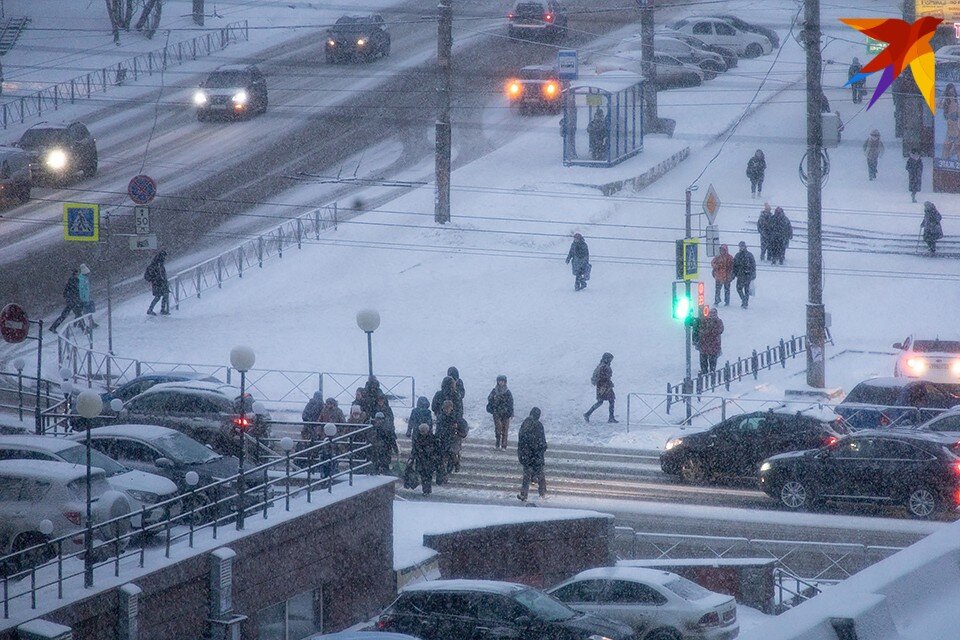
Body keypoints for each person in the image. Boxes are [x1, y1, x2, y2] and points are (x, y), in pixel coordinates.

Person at [517, 407, 547, 502]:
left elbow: (521, 440)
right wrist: (541, 448)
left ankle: (524, 494)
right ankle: (542, 492)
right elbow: (542, 441)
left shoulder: (525, 424)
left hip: (527, 454)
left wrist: (522, 453)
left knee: (526, 475)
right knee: (540, 474)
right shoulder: (539, 426)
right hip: (537, 454)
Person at [584, 352, 617, 423]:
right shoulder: (604, 366)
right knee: (610, 401)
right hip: (605, 387)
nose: (610, 360)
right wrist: (608, 383)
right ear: (606, 358)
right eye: (610, 359)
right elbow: (604, 377)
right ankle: (611, 417)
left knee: (602, 401)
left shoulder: (601, 365)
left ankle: (588, 414)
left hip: (602, 386)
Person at [486, 375, 515, 450]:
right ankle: (497, 444)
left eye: (502, 381)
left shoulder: (508, 392)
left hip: (506, 414)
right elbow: (489, 399)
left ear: (505, 382)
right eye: (499, 381)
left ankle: (504, 446)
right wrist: (493, 399)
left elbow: (511, 403)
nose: (501, 383)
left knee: (505, 430)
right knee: (498, 429)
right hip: (497, 413)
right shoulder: (494, 391)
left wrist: (511, 412)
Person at [411, 423, 439, 496]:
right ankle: (425, 490)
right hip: (421, 460)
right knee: (423, 476)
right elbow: (415, 449)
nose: (422, 432)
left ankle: (427, 490)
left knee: (428, 476)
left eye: (424, 431)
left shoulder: (432, 438)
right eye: (421, 431)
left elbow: (436, 449)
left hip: (429, 460)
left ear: (427, 430)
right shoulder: (417, 438)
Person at [434, 400, 459, 484]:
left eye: (448, 408)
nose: (446, 410)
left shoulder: (455, 416)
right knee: (441, 458)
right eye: (445, 408)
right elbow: (438, 428)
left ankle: (449, 472)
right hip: (443, 440)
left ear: (451, 408)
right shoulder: (441, 416)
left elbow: (458, 428)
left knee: (451, 456)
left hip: (452, 440)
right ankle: (442, 475)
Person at [697, 308, 724, 374]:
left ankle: (710, 370)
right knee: (705, 358)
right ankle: (706, 370)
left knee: (710, 358)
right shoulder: (706, 321)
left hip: (710, 344)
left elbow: (719, 330)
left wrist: (708, 332)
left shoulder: (717, 321)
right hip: (709, 344)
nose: (712, 315)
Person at [145, 250, 170, 316]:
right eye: (164, 257)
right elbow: (160, 275)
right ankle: (154, 309)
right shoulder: (157, 265)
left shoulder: (157, 264)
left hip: (159, 283)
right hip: (158, 283)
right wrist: (155, 279)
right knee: (160, 296)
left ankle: (155, 309)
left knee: (161, 296)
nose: (165, 258)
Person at [732, 241, 757, 309]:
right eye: (740, 246)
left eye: (742, 246)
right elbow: (734, 266)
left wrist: (753, 274)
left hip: (747, 275)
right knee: (738, 288)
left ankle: (745, 303)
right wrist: (734, 274)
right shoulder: (737, 255)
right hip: (740, 275)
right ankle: (744, 300)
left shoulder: (749, 255)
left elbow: (753, 265)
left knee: (746, 290)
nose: (741, 247)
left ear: (745, 246)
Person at [940, 83, 960, 160]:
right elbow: (938, 104)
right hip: (951, 131)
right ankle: (946, 159)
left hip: (956, 131)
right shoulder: (947, 103)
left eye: (953, 92)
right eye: (950, 92)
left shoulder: (956, 102)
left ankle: (948, 158)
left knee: (955, 149)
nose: (952, 94)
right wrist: (942, 95)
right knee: (947, 150)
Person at [77, 264, 97, 328]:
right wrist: (84, 299)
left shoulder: (84, 279)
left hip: (85, 298)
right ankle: (84, 324)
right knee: (86, 312)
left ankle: (82, 323)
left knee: (85, 312)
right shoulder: (82, 280)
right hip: (84, 299)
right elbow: (82, 290)